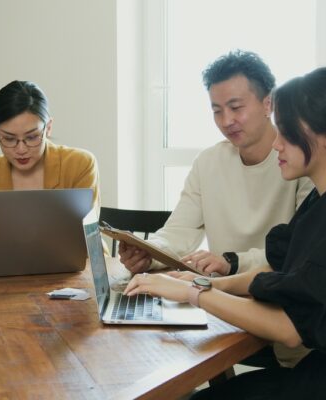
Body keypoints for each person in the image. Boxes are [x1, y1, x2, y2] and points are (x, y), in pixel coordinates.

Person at [124, 67, 326, 399]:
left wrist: (193, 294)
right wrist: (205, 283)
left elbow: (289, 330)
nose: (277, 144)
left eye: (287, 133)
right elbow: (280, 269)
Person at [119, 50, 313, 367]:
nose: (226, 121)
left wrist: (230, 263)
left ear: (268, 103)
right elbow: (178, 232)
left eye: (236, 108)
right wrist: (148, 251)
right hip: (223, 307)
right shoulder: (209, 162)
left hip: (284, 318)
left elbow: (298, 255)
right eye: (217, 110)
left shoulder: (301, 161)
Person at [0, 80, 99, 251]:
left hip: (74, 272)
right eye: (9, 139)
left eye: (32, 137)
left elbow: (89, 237)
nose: (21, 149)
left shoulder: (79, 164)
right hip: (6, 271)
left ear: (48, 127)